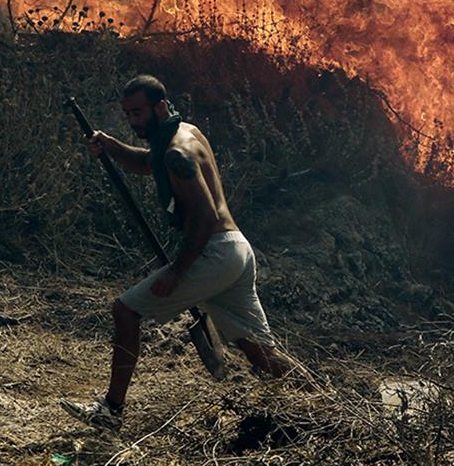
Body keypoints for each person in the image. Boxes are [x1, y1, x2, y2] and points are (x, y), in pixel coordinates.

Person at [61, 74, 292, 430]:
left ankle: (111, 411)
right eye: (128, 114)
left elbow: (204, 216)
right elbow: (147, 163)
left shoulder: (175, 154)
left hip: (214, 251)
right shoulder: (185, 132)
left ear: (159, 106)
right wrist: (111, 146)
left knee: (125, 311)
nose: (133, 121)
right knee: (259, 350)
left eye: (138, 113)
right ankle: (323, 400)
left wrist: (177, 271)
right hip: (237, 251)